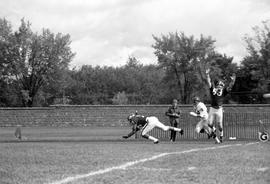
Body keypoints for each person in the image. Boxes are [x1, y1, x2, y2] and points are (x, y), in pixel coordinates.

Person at [206, 68, 236, 142]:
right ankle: (214, 130)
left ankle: (221, 135)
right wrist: (207, 75)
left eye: (221, 85)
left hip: (219, 109)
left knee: (220, 125)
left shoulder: (223, 91)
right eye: (219, 84)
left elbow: (230, 87)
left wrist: (233, 81)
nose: (220, 86)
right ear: (217, 85)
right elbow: (209, 83)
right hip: (212, 108)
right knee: (209, 124)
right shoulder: (213, 89)